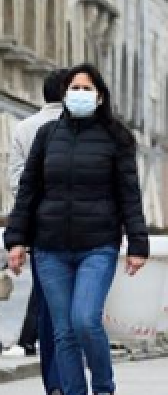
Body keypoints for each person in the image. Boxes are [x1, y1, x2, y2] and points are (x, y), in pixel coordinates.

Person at [5, 63, 149, 395]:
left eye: (86, 89)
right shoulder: (46, 136)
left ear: (100, 96)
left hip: (97, 246)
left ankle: (102, 387)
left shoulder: (117, 137)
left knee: (85, 320)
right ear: (64, 94)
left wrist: (138, 244)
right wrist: (16, 240)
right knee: (62, 331)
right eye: (74, 88)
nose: (79, 94)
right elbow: (28, 191)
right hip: (50, 247)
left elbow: (130, 193)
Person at [8, 68, 67, 393]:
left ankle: (55, 383)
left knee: (48, 305)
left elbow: (15, 180)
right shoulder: (86, 129)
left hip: (40, 229)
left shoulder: (23, 127)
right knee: (76, 310)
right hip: (80, 233)